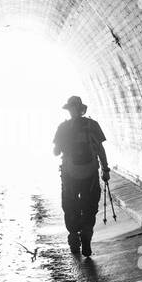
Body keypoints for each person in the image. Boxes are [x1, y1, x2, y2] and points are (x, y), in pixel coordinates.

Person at [53, 95, 109, 257]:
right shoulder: (92, 125)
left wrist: (62, 146)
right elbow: (100, 150)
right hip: (90, 174)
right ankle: (86, 234)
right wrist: (105, 170)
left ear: (70, 110)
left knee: (70, 205)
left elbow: (56, 152)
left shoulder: (63, 127)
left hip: (69, 175)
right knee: (90, 206)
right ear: (82, 109)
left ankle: (73, 237)